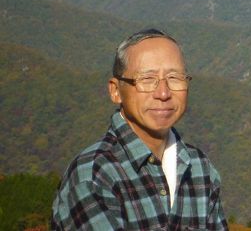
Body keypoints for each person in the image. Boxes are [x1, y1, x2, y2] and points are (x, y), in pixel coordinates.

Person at [52, 28, 229, 230]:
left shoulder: (200, 168)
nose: (163, 93)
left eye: (174, 78)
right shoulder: (94, 175)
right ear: (116, 91)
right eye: (147, 79)